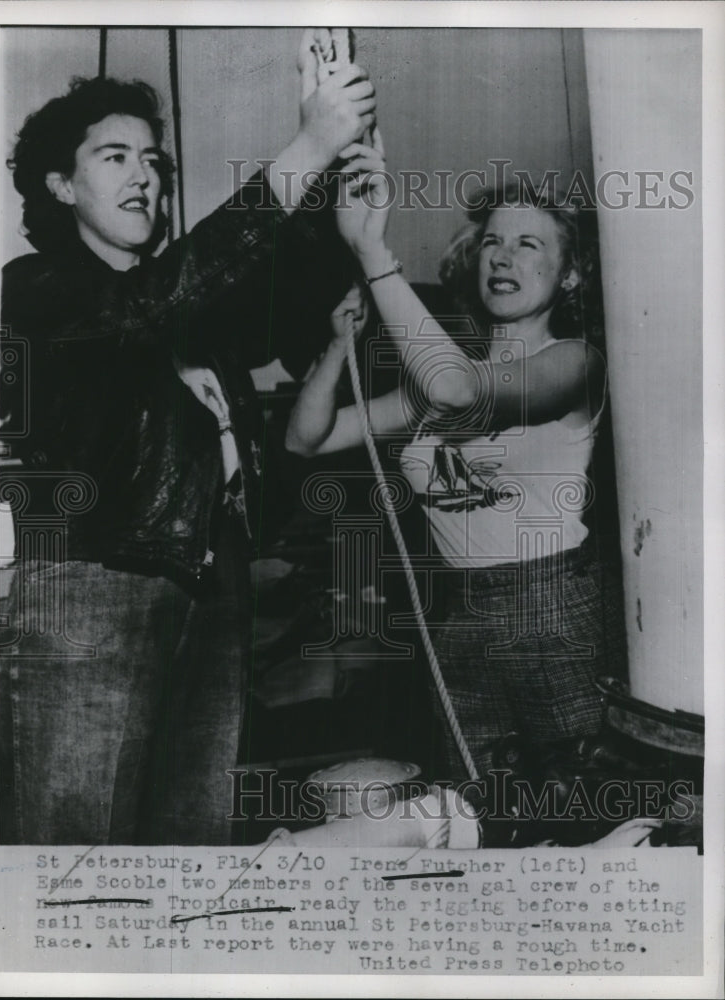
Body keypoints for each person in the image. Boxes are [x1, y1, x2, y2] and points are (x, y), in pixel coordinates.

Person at [0, 36, 376, 846]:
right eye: (113, 156)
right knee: (80, 854)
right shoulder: (36, 291)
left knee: (191, 842)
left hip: (214, 582)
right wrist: (304, 145)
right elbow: (148, 308)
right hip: (96, 583)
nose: (144, 175)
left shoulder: (186, 303)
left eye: (154, 159)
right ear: (61, 185)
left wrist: (337, 196)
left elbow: (266, 300)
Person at [286, 136, 626, 781]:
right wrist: (338, 345)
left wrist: (374, 255)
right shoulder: (434, 378)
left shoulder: (575, 363)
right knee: (481, 811)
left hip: (557, 607)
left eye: (530, 244)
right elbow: (308, 439)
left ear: (570, 274)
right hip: (459, 614)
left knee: (580, 807)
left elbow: (460, 391)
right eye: (493, 241)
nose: (503, 255)